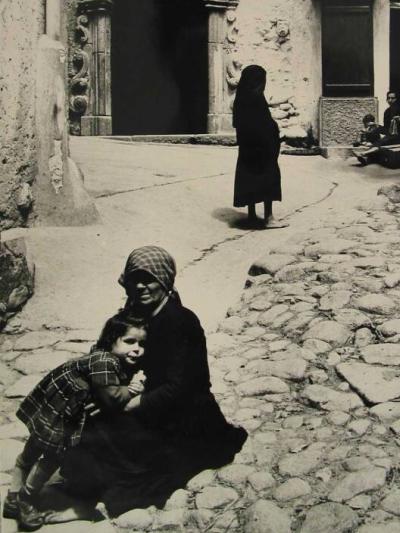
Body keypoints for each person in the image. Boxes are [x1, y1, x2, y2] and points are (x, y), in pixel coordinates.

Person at [59, 246, 247, 518]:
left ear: (164, 280)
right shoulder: (134, 311)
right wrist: (102, 392)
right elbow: (105, 350)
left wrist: (125, 405)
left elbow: (180, 388)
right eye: (135, 279)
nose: (141, 286)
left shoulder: (181, 322)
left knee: (130, 449)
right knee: (85, 419)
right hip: (140, 397)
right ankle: (87, 486)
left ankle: (98, 499)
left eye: (150, 279)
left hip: (182, 414)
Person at [4, 313, 147, 530]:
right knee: (52, 455)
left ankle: (12, 497)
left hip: (54, 406)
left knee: (31, 449)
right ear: (111, 340)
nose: (137, 349)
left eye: (142, 343)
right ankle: (26, 498)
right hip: (64, 414)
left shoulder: (99, 354)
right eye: (130, 341)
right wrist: (132, 390)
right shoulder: (105, 361)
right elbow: (112, 398)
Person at [232, 64, 287, 228]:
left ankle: (251, 215)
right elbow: (263, 125)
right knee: (267, 179)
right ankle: (269, 218)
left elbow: (238, 125)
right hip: (262, 149)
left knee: (250, 179)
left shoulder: (240, 98)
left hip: (247, 150)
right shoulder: (256, 99)